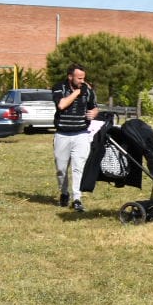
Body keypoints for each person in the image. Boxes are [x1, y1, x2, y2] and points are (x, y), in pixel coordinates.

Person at [51, 64, 99, 212]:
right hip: (62, 134)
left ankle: (77, 198)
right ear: (70, 77)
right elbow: (61, 104)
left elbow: (94, 106)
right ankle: (64, 193)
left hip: (81, 134)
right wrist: (77, 92)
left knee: (79, 167)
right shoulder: (59, 87)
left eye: (83, 78)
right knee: (61, 169)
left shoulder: (88, 90)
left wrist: (95, 113)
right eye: (79, 78)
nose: (82, 81)